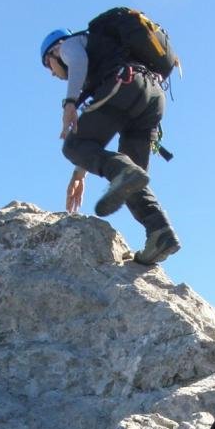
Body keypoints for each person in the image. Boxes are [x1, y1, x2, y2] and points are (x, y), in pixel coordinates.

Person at [40, 27, 181, 266]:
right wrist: (80, 172)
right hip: (153, 98)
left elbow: (76, 59)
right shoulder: (106, 55)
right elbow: (100, 130)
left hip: (126, 82)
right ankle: (160, 234)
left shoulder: (69, 45)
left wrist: (70, 103)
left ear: (54, 51)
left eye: (48, 65)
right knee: (130, 183)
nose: (53, 74)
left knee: (73, 144)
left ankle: (124, 172)